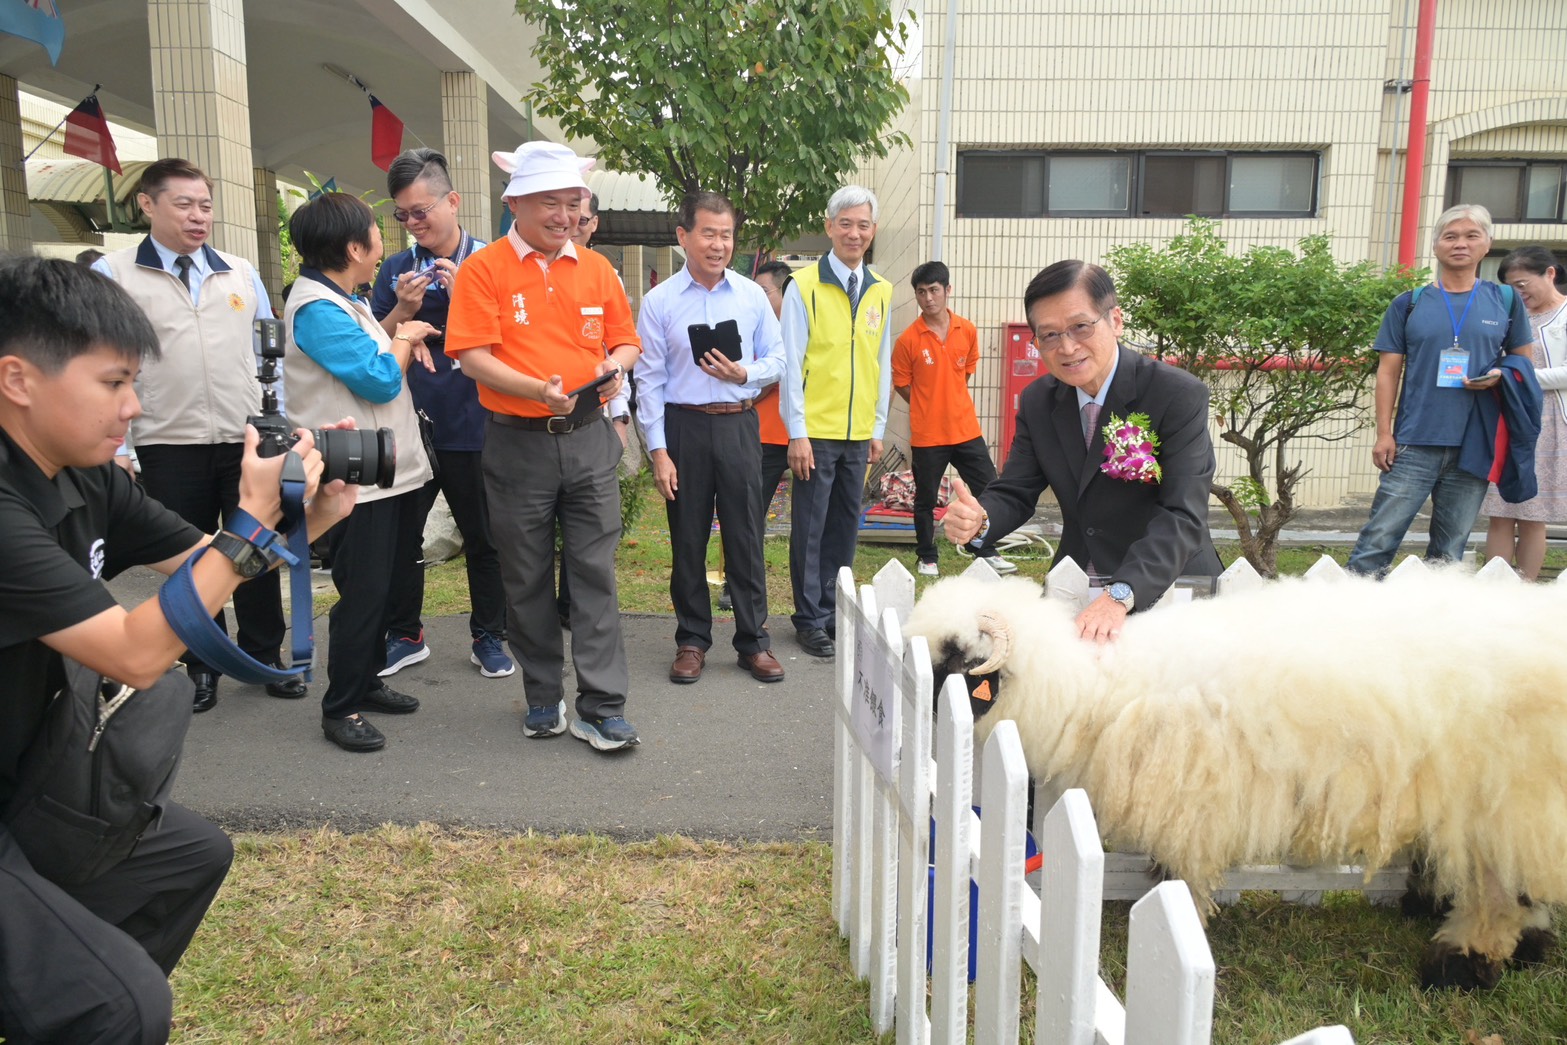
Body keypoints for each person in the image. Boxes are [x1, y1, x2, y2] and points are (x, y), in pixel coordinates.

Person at [0, 255, 353, 1042]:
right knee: (122, 1004)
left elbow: (208, 563)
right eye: (113, 382)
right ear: (18, 379)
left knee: (187, 857)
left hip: (25, 779)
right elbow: (134, 653)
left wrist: (311, 516)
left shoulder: (85, 474)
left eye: (135, 383)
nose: (132, 407)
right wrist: (248, 520)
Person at [445, 141, 643, 753]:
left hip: (588, 438)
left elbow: (626, 341)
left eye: (573, 203)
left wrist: (614, 366)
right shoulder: (484, 269)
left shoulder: (597, 268)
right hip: (517, 442)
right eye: (549, 203)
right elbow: (472, 357)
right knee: (525, 574)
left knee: (594, 574)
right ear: (515, 204)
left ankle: (602, 706)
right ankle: (541, 695)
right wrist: (537, 390)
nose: (564, 216)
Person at [94, 157, 300, 712]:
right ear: (147, 204)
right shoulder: (114, 275)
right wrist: (120, 447)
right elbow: (103, 365)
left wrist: (276, 421)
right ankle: (201, 665)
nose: (197, 216)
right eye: (183, 204)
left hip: (244, 439)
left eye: (205, 205)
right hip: (166, 442)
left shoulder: (240, 272)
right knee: (189, 562)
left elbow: (269, 357)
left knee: (254, 548)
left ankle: (264, 656)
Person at [943, 260, 1222, 643]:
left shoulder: (1176, 394)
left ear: (1115, 321)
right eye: (1050, 335)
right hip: (1077, 580)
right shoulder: (1039, 401)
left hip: (1170, 585)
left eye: (1081, 327)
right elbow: (1016, 490)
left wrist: (1121, 593)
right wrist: (981, 519)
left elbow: (1182, 513)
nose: (1068, 347)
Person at [283, 192, 437, 752]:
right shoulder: (316, 309)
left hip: (381, 470)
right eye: (374, 230)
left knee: (385, 584)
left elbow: (370, 350)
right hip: (354, 478)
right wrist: (407, 336)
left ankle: (367, 682)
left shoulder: (341, 299)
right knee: (364, 592)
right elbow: (379, 379)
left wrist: (398, 323)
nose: (381, 241)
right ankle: (341, 705)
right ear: (353, 248)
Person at [369, 148, 514, 680]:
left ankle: (489, 635)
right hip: (411, 425)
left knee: (485, 537)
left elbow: (513, 342)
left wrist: (463, 297)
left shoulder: (493, 263)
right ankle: (405, 634)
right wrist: (404, 310)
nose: (413, 223)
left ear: (452, 201)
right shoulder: (395, 269)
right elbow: (375, 343)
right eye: (403, 214)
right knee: (402, 537)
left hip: (476, 423)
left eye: (421, 211)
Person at [635, 191, 787, 685]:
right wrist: (658, 450)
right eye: (709, 234)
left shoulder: (750, 296)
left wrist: (745, 373)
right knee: (688, 537)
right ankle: (692, 640)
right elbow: (649, 381)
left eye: (726, 235)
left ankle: (753, 641)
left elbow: (779, 360)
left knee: (746, 536)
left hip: (739, 423)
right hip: (684, 427)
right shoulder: (660, 302)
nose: (719, 244)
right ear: (684, 236)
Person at [1346, 204, 1535, 576]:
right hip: (1413, 442)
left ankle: (1435, 613)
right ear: (1435, 246)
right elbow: (1388, 372)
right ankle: (1353, 608)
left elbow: (1523, 364)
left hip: (1475, 443)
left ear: (1487, 244)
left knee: (1449, 552)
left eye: (1471, 236)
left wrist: (1499, 374)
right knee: (1377, 541)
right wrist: (1384, 433)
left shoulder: (1505, 301)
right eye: (1450, 236)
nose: (1460, 244)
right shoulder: (1409, 303)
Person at [780, 185, 895, 660]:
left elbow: (881, 362)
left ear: (873, 231)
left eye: (863, 225)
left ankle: (833, 611)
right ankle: (809, 618)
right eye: (845, 224)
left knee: (846, 526)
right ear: (829, 227)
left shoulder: (881, 289)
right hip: (816, 433)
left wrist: (877, 428)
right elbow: (791, 364)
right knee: (810, 527)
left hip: (858, 433)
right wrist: (797, 432)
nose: (854, 233)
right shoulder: (803, 285)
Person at [891, 260, 1012, 578]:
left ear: (947, 290)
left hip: (965, 429)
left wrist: (947, 399)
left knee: (989, 489)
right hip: (928, 435)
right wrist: (926, 404)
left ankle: (985, 550)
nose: (928, 298)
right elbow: (901, 383)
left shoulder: (967, 330)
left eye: (934, 290)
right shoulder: (908, 340)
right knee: (925, 499)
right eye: (921, 292)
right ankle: (927, 556)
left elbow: (965, 372)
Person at [556, 190, 633, 629]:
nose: (571, 225)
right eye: (563, 213)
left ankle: (575, 608)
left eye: (581, 218)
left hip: (592, 419)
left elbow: (618, 351)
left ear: (594, 224)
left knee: (588, 528)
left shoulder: (605, 274)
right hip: (532, 425)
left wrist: (620, 418)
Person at [1481, 246, 1567, 580]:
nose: (1518, 293)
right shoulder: (1510, 317)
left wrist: (1516, 377)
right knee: (1500, 511)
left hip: (1549, 422)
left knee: (1533, 513)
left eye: (1522, 284)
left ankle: (1526, 589)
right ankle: (1496, 589)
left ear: (1550, 273)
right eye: (1511, 287)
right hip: (1506, 418)